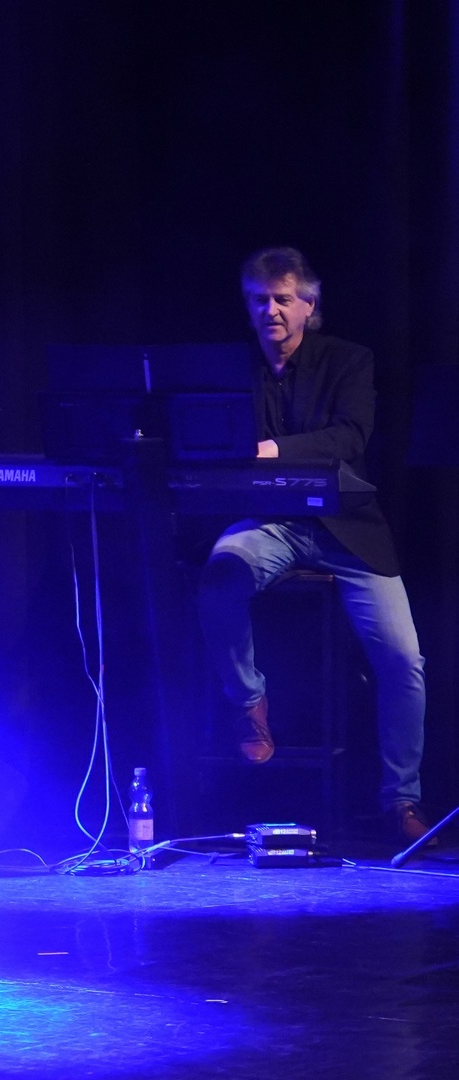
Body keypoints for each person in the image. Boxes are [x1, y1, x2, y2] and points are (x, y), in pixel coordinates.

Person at [196, 247, 433, 847]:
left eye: (283, 299)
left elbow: (351, 436)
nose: (270, 311)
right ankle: (249, 702)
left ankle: (401, 800)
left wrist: (273, 450)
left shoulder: (349, 360)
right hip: (269, 523)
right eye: (259, 300)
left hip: (347, 529)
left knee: (403, 659)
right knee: (219, 576)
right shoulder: (233, 366)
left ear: (308, 305)